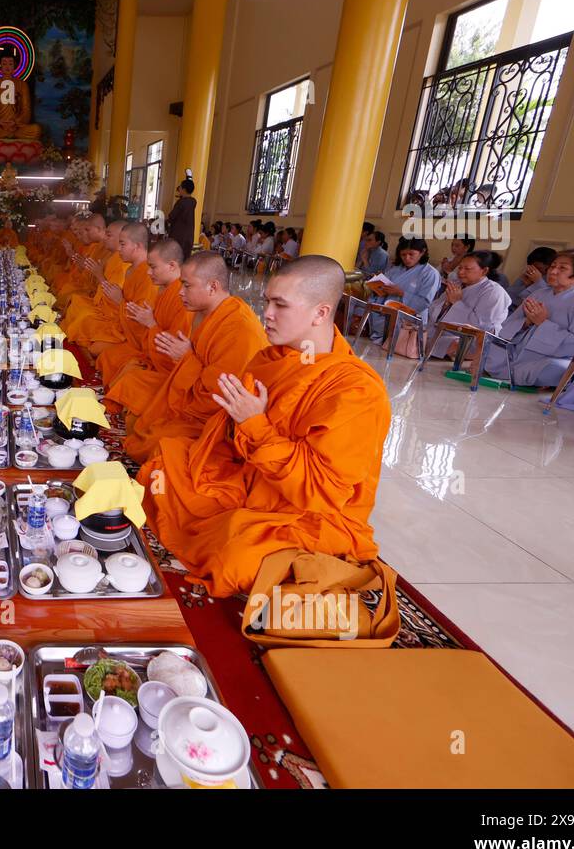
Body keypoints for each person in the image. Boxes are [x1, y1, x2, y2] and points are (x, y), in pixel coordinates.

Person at [138, 255, 390, 596]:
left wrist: (255, 424)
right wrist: (237, 422)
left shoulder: (354, 390)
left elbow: (321, 491)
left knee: (233, 556)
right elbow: (229, 434)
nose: (267, 315)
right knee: (164, 464)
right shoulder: (270, 359)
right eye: (267, 302)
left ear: (321, 312)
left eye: (280, 305)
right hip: (252, 478)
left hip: (309, 514)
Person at [111, 252, 269, 463]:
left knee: (156, 442)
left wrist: (186, 358)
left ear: (212, 287)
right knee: (133, 385)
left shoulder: (239, 328)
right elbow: (187, 361)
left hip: (213, 416)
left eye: (186, 286)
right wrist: (186, 358)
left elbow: (220, 394)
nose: (180, 292)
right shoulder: (204, 312)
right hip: (186, 390)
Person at [482, 248, 574, 386]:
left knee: (555, 369)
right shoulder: (539, 293)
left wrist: (543, 323)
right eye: (553, 266)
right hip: (519, 350)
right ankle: (510, 371)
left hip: (555, 358)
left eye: (562, 268)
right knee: (487, 347)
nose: (553, 271)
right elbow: (507, 326)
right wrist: (526, 323)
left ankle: (512, 373)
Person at [96, 238, 191, 386]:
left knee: (128, 379)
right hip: (148, 349)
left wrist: (150, 323)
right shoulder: (164, 288)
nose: (148, 272)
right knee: (108, 358)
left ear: (172, 266)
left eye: (153, 267)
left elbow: (172, 349)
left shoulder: (182, 297)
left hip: (166, 366)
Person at [73, 222, 155, 353]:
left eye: (122, 244)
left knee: (97, 349)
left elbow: (140, 320)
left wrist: (120, 301)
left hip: (133, 334)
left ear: (137, 246)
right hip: (119, 322)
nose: (119, 249)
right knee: (83, 320)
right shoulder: (130, 269)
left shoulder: (148, 275)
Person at [426, 252, 512, 359]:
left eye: (467, 269)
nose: (461, 272)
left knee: (455, 345)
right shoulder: (457, 284)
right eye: (460, 268)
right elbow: (433, 310)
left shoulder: (494, 291)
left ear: (484, 271)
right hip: (441, 333)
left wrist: (456, 303)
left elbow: (482, 326)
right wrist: (446, 305)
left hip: (471, 340)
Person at [364, 236, 441, 344]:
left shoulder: (430, 273)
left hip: (409, 319)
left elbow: (424, 302)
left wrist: (401, 293)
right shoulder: (396, 269)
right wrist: (378, 285)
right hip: (386, 312)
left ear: (422, 252)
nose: (407, 258)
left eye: (411, 254)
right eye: (403, 255)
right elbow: (382, 288)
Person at [507, 246, 557, 311]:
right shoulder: (528, 275)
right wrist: (527, 286)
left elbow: (550, 300)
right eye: (536, 268)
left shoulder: (555, 280)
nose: (536, 272)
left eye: (547, 269)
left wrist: (538, 282)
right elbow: (508, 297)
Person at [165, 175, 197, 259]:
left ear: (184, 189)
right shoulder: (193, 201)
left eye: (180, 187)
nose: (179, 189)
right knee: (185, 256)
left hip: (178, 234)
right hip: (189, 234)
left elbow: (172, 216)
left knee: (175, 256)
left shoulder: (181, 202)